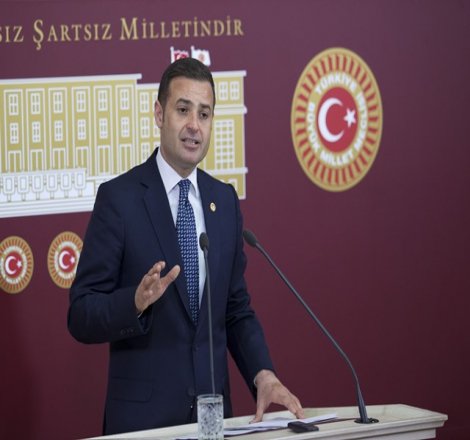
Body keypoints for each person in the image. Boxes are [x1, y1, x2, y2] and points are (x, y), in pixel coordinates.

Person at [68, 57, 303, 435]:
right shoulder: (120, 199)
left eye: (204, 114)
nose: (194, 125)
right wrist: (134, 302)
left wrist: (263, 374)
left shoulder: (224, 201)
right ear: (159, 114)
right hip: (143, 425)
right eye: (183, 110)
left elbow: (235, 310)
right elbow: (81, 313)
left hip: (212, 422)